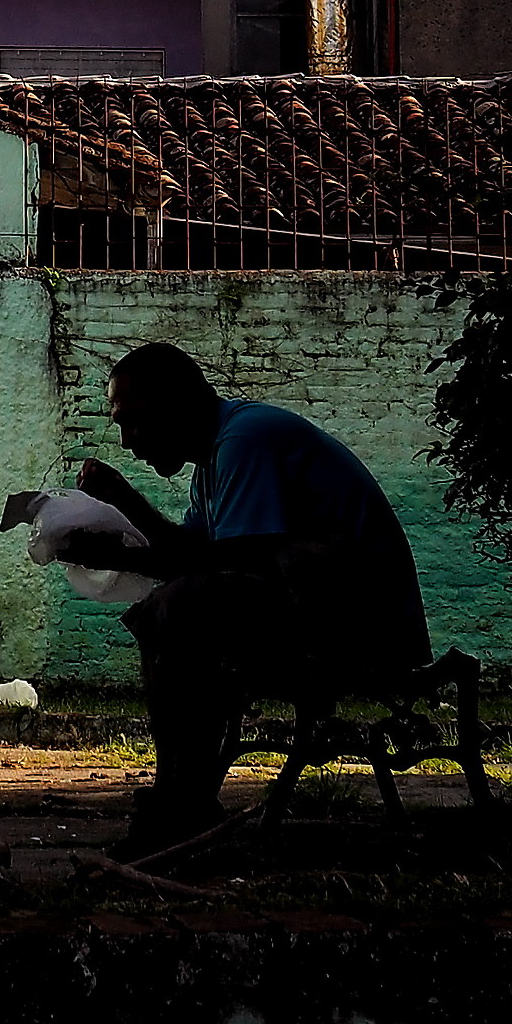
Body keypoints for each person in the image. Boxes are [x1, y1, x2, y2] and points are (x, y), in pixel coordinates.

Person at [57, 342, 430, 859]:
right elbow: (194, 555)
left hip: (367, 629)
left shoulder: (244, 440)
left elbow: (230, 565)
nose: (127, 442)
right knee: (167, 607)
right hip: (323, 614)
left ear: (179, 404)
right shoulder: (214, 461)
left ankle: (182, 802)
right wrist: (115, 528)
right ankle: (181, 798)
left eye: (135, 421)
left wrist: (125, 522)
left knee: (179, 606)